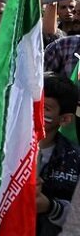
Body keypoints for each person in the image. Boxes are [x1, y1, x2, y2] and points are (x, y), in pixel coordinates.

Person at [36, 72, 80, 235]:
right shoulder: (5, 149)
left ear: (65, 119)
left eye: (45, 108)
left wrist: (50, 207)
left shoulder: (75, 159)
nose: (35, 111)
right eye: (34, 103)